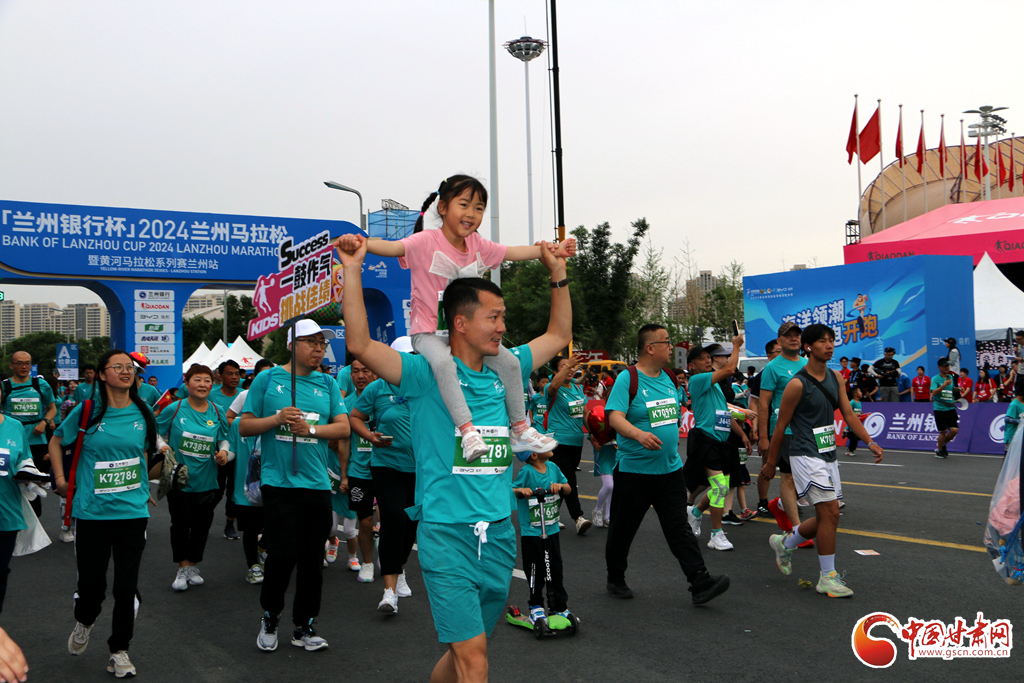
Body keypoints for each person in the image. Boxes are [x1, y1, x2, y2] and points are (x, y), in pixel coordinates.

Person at [338, 232, 571, 683]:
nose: (503, 327)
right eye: (494, 317)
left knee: (466, 652)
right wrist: (352, 270)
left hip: (499, 534)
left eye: (503, 317)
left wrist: (557, 272)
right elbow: (362, 345)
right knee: (474, 661)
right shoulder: (424, 373)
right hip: (446, 536)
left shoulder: (508, 368)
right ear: (460, 323)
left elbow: (559, 335)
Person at [333, 175, 575, 463]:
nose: (471, 214)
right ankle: (468, 431)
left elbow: (512, 252)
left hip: (466, 339)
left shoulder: (477, 245)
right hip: (429, 334)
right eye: (464, 205)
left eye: (479, 208)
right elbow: (393, 247)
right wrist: (360, 243)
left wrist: (551, 251)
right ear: (443, 207)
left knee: (511, 363)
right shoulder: (426, 240)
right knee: (444, 364)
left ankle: (521, 429)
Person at [239, 319, 351, 653]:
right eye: (311, 342)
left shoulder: (328, 383)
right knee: (282, 555)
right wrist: (276, 420)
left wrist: (311, 431)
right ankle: (271, 616)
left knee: (313, 560)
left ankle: (304, 626)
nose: (319, 349)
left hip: (316, 485)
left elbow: (343, 428)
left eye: (322, 343)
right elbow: (245, 426)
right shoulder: (267, 379)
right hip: (279, 483)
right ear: (292, 345)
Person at [50, 349, 157, 679]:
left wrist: (144, 485)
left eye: (130, 367)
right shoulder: (87, 411)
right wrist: (61, 480)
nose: (126, 371)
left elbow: (143, 453)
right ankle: (84, 620)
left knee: (126, 588)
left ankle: (119, 650)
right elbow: (56, 441)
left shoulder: (144, 412)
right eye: (118, 366)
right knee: (92, 589)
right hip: (92, 514)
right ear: (101, 374)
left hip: (132, 513)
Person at [605, 328, 730, 603]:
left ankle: (699, 580)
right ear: (650, 347)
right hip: (634, 472)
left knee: (678, 528)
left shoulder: (670, 378)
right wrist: (639, 435)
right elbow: (615, 417)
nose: (672, 347)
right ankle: (616, 577)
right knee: (624, 529)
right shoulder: (628, 378)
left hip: (670, 470)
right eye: (667, 342)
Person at [764, 324, 882, 598]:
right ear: (808, 347)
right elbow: (780, 426)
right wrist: (770, 462)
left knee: (827, 516)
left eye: (831, 340)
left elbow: (848, 414)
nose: (829, 345)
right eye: (822, 341)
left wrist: (870, 441)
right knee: (830, 513)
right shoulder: (797, 384)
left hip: (827, 453)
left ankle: (785, 543)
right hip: (805, 453)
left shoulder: (836, 377)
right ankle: (827, 578)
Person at [349, 339, 418, 615]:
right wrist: (370, 436)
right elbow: (355, 417)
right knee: (393, 519)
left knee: (411, 524)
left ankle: (399, 569)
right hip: (387, 465)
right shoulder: (377, 388)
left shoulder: (427, 387)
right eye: (405, 357)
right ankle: (389, 592)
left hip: (421, 469)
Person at [155, 364, 230, 591]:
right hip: (179, 479)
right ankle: (182, 566)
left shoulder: (217, 411)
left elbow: (224, 438)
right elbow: (155, 431)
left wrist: (223, 452)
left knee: (201, 526)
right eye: (197, 380)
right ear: (187, 384)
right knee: (180, 524)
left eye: (207, 380)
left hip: (207, 479)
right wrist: (162, 445)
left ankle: (193, 566)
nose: (203, 384)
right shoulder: (175, 408)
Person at [683, 339, 749, 551]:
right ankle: (716, 534)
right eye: (702, 359)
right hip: (706, 440)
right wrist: (736, 346)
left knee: (721, 488)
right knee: (720, 487)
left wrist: (742, 435)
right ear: (692, 365)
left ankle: (694, 512)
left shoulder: (715, 387)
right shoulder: (697, 380)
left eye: (707, 358)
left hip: (723, 442)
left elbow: (725, 413)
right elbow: (730, 369)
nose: (707, 361)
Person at [512, 447, 572, 625]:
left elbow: (568, 488)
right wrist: (522, 490)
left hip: (551, 529)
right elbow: (513, 490)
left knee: (556, 568)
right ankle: (536, 606)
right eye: (543, 447)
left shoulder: (553, 467)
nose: (550, 448)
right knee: (535, 570)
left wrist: (560, 487)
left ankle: (560, 606)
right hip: (532, 531)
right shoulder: (527, 471)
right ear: (534, 455)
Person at [226, 361, 273, 585]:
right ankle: (252, 566)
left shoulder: (276, 423)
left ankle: (263, 548)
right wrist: (223, 455)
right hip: (246, 487)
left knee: (274, 526)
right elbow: (232, 451)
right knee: (251, 529)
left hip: (273, 483)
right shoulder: (238, 425)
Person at [757, 322, 805, 532]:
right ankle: (796, 529)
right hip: (784, 430)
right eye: (788, 336)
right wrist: (763, 437)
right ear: (779, 340)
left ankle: (780, 505)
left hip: (806, 431)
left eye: (797, 335)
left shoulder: (808, 364)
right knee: (789, 477)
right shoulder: (772, 368)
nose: (793, 339)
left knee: (804, 478)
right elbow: (763, 404)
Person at [2, 351, 57, 521]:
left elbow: (52, 409)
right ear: (11, 365)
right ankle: (11, 517)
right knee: (10, 479)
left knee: (32, 482)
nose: (24, 366)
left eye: (27, 363)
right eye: (19, 363)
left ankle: (33, 521)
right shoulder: (5, 386)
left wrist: (44, 422)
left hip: (36, 440)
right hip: (11, 441)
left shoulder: (40, 385)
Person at [339, 359, 379, 583]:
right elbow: (345, 441)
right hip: (359, 472)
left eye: (366, 370)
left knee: (390, 520)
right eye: (356, 371)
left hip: (387, 469)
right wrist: (344, 475)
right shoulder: (346, 404)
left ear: (375, 373)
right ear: (350, 375)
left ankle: (390, 559)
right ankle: (367, 563)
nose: (361, 375)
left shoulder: (386, 398)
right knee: (364, 521)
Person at [545, 354, 592, 535]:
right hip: (558, 442)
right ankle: (578, 518)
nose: (570, 369)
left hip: (576, 442)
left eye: (572, 366)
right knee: (569, 479)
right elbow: (553, 385)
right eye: (565, 366)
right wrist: (568, 366)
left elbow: (585, 414)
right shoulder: (552, 388)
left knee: (563, 481)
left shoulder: (577, 389)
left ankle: (551, 515)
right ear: (555, 371)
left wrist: (594, 434)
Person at [0, 409, 29, 615]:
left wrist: (30, 476)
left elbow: (25, 461)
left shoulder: (15, 427)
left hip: (6, 514)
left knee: (0, 573)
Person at [748, 338, 781, 518]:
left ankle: (787, 502)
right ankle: (763, 502)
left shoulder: (793, 370)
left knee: (792, 467)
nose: (782, 354)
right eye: (778, 351)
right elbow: (754, 402)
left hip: (790, 427)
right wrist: (756, 430)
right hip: (769, 426)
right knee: (768, 465)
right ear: (769, 356)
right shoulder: (763, 374)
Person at [211, 359, 242, 540]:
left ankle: (230, 524)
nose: (234, 377)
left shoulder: (244, 395)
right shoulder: (212, 396)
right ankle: (203, 517)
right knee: (216, 488)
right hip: (218, 450)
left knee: (234, 489)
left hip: (241, 449)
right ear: (220, 376)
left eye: (237, 374)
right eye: (230, 374)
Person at [931, 359, 959, 459]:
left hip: (950, 407)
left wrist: (957, 389)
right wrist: (944, 385)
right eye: (944, 366)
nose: (947, 368)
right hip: (940, 408)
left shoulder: (950, 377)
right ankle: (940, 450)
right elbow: (934, 393)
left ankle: (942, 444)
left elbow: (951, 389)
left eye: (948, 366)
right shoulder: (935, 379)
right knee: (943, 432)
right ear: (939, 368)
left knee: (954, 430)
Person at [1003, 387, 1024, 453]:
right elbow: (1007, 419)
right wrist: (1020, 421)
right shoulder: (1014, 404)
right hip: (1012, 437)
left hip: (1020, 436)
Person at [844, 386, 863, 456]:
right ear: (855, 394)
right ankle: (850, 451)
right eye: (860, 391)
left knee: (859, 437)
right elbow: (848, 411)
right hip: (852, 424)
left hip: (857, 423)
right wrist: (855, 414)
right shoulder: (852, 402)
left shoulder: (859, 402)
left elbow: (857, 411)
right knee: (854, 439)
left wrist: (861, 413)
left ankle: (846, 434)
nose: (861, 393)